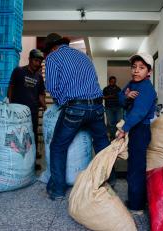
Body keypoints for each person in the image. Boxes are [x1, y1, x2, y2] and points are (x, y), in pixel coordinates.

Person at [43, 33, 110, 200]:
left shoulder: (53, 57)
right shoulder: (83, 56)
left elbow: (51, 86)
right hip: (97, 107)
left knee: (58, 146)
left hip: (75, 108)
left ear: (52, 48)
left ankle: (58, 191)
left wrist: (61, 102)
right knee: (102, 145)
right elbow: (94, 80)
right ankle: (109, 183)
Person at [117, 53, 157, 214]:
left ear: (149, 72)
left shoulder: (147, 89)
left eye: (141, 68)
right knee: (133, 164)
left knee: (136, 167)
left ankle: (137, 206)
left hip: (140, 130)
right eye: (134, 67)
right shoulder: (132, 84)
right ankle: (135, 199)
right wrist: (126, 96)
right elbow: (119, 98)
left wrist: (124, 129)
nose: (136, 71)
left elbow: (139, 112)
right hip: (133, 127)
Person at [8, 49, 46, 170]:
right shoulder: (19, 71)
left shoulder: (39, 77)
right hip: (17, 111)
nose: (37, 63)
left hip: (32, 112)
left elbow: (41, 95)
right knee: (15, 135)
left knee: (32, 137)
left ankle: (31, 163)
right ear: (29, 59)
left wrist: (45, 106)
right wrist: (9, 104)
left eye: (40, 61)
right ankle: (15, 162)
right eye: (35, 60)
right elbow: (11, 87)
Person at [103, 76, 122, 140]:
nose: (113, 83)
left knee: (119, 122)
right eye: (111, 81)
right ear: (109, 81)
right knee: (111, 123)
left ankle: (118, 136)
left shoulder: (118, 89)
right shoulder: (106, 89)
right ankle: (112, 137)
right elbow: (103, 97)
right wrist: (110, 96)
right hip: (108, 108)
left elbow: (120, 97)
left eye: (114, 82)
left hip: (118, 107)